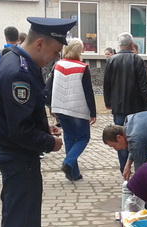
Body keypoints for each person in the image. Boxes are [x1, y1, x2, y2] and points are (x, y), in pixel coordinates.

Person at [0, 17, 76, 227]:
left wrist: (44, 129)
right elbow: (20, 131)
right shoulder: (18, 72)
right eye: (54, 52)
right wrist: (49, 143)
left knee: (13, 221)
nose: (55, 58)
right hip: (18, 158)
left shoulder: (14, 59)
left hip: (12, 155)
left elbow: (23, 117)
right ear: (40, 43)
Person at [46, 38, 96, 181]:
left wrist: (51, 106)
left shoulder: (57, 65)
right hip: (77, 109)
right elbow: (88, 92)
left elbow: (48, 87)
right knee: (83, 137)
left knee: (69, 138)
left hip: (60, 108)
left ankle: (73, 173)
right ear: (79, 51)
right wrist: (92, 112)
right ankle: (68, 163)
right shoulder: (82, 67)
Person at [103, 32, 147, 173]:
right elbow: (144, 87)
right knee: (136, 136)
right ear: (131, 44)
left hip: (118, 106)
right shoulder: (138, 60)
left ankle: (123, 167)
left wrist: (108, 102)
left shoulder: (111, 60)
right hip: (136, 106)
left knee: (119, 137)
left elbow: (107, 84)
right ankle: (137, 167)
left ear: (120, 45)